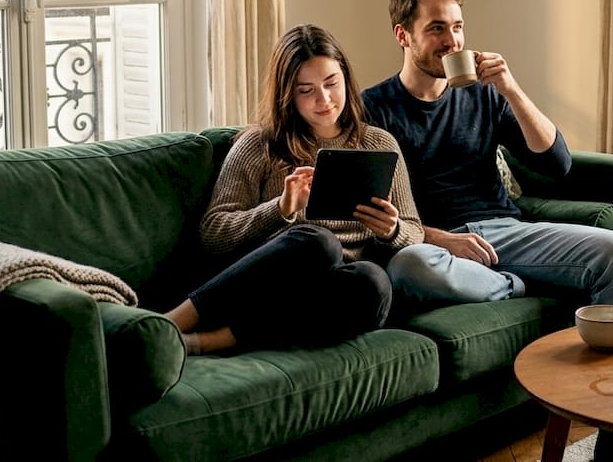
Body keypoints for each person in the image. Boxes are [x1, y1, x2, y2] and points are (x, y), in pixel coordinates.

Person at [361, 0, 613, 462]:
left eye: (458, 27)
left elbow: (555, 164)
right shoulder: (374, 109)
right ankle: (514, 286)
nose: (453, 41)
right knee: (407, 267)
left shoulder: (483, 95)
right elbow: (377, 214)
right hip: (433, 246)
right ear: (403, 36)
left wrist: (510, 87)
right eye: (437, 28)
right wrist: (442, 239)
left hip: (506, 232)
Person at [165, 23, 425, 355]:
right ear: (287, 94)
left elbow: (414, 231)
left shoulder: (379, 144)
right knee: (318, 241)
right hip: (267, 280)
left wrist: (392, 230)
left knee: (374, 283)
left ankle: (208, 342)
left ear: (346, 77)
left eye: (332, 83)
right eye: (306, 90)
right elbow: (213, 233)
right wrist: (281, 208)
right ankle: (168, 323)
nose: (324, 99)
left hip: (329, 293)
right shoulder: (259, 146)